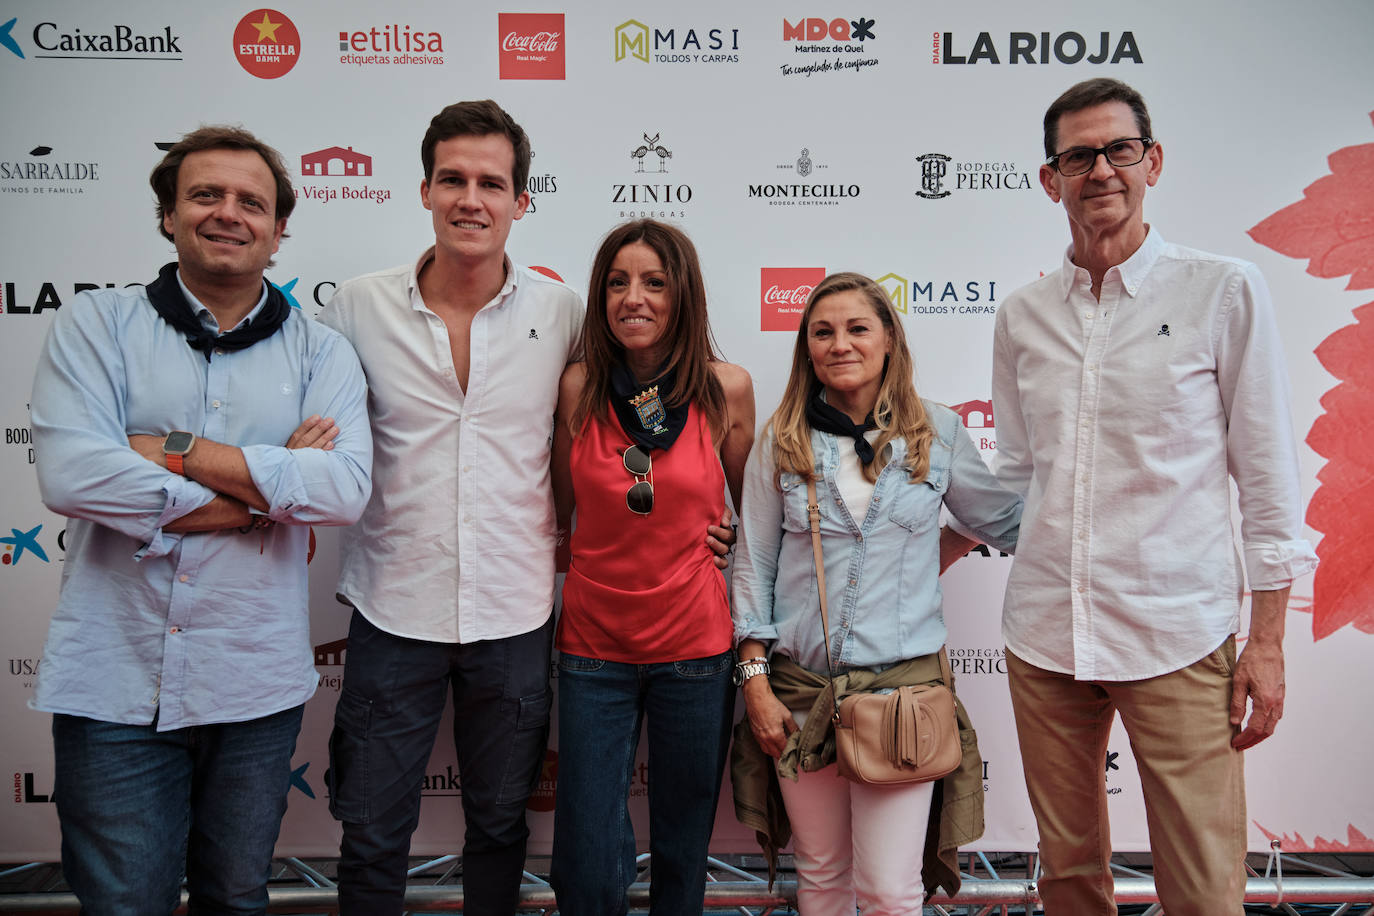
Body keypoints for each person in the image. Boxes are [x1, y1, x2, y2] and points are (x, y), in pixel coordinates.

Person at [957, 78, 1318, 915]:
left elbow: (1267, 483)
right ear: (1051, 180)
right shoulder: (1021, 317)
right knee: (1071, 881)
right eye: (1078, 156)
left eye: (1119, 150)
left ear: (1152, 161)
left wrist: (1265, 642)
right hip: (1045, 637)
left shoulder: (1222, 292)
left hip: (1177, 635)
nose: (1101, 170)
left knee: (1203, 888)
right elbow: (1015, 476)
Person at [28, 126, 372, 914]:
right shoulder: (97, 326)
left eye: (252, 202)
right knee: (123, 903)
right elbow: (74, 473)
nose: (229, 214)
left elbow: (343, 490)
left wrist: (175, 451)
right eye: (206, 195)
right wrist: (260, 496)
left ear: (279, 229)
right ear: (168, 214)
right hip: (114, 684)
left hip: (253, 686)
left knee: (237, 897)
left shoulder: (322, 354)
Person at [315, 99, 585, 916]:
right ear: (426, 190)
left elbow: (624, 422)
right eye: (454, 179)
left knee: (501, 826)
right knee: (368, 830)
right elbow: (315, 439)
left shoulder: (563, 311)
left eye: (491, 183)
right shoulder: (356, 307)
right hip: (393, 606)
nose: (472, 198)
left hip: (514, 608)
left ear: (520, 202)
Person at [729, 272, 1021, 915]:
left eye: (858, 328)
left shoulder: (937, 433)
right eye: (823, 331)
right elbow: (752, 568)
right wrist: (754, 683)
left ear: (889, 338)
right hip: (800, 696)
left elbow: (1003, 521)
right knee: (823, 877)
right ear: (806, 347)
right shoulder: (781, 441)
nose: (840, 344)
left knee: (890, 892)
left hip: (902, 701)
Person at [547, 219, 755, 916]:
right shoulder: (577, 386)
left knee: (682, 845)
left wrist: (731, 537)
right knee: (585, 856)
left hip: (695, 651)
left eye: (654, 282)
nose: (633, 298)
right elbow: (561, 513)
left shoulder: (727, 389)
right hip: (592, 650)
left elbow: (758, 519)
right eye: (617, 282)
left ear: (683, 295)